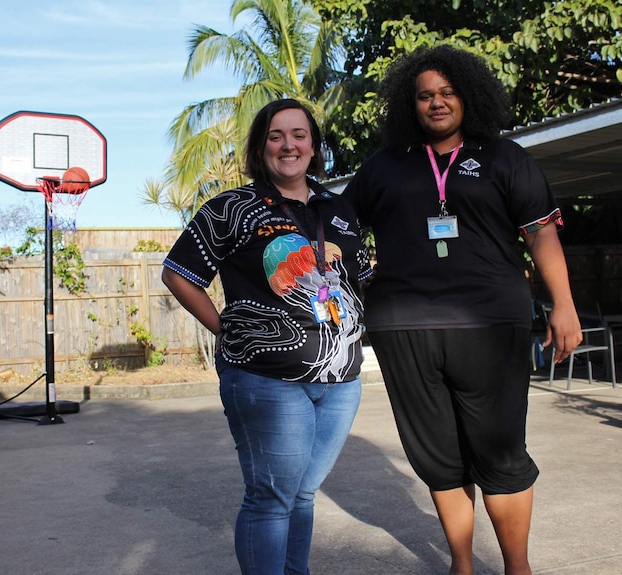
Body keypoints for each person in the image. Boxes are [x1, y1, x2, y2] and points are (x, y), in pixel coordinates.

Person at [343, 45, 583, 575]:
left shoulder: (504, 157)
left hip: (491, 325)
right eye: (425, 95)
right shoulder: (383, 166)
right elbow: (338, 228)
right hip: (404, 329)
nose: (436, 103)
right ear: (411, 104)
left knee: (500, 454)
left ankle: (517, 567)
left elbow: (541, 233)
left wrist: (563, 306)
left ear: (469, 96)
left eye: (447, 92)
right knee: (438, 458)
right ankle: (461, 564)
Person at [161, 99, 372, 574]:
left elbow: (360, 278)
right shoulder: (231, 208)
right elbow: (178, 274)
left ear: (314, 148)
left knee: (301, 493)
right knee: (272, 497)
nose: (288, 145)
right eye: (276, 135)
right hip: (265, 379)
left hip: (340, 382)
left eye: (299, 135)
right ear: (261, 148)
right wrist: (225, 328)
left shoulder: (338, 208)